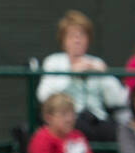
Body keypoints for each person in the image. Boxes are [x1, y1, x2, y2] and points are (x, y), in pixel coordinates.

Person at [36, 10, 129, 143]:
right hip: (70, 119)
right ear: (63, 41)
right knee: (80, 131)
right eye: (72, 36)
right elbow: (43, 96)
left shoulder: (96, 62)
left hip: (98, 118)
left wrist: (105, 76)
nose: (77, 40)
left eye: (82, 36)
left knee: (120, 133)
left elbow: (116, 100)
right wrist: (70, 74)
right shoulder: (54, 62)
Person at [27, 93, 93, 153]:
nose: (69, 119)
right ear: (48, 118)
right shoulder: (41, 140)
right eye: (63, 114)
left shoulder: (78, 136)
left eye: (72, 113)